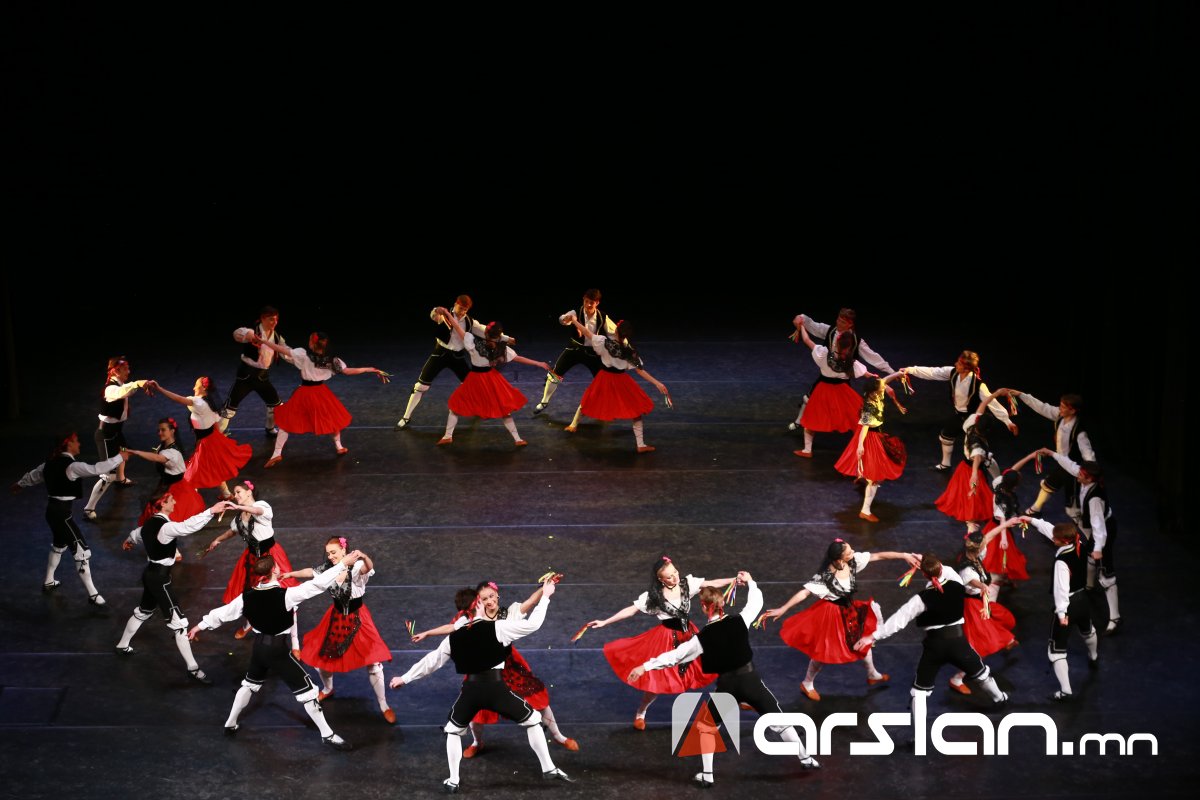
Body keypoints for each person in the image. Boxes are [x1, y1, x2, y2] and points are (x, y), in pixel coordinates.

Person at [629, 570, 819, 787]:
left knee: (708, 728)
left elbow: (674, 657)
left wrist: (645, 666)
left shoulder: (700, 639)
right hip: (751, 680)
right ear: (723, 604)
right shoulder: (740, 620)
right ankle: (807, 759)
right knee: (779, 721)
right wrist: (751, 582)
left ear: (704, 608)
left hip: (727, 687)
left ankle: (707, 775)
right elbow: (756, 601)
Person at [389, 577, 572, 793]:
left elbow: (432, 661)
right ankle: (548, 767)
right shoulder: (497, 628)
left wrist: (404, 678)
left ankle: (453, 780)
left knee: (453, 731)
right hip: (497, 689)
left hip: (471, 692)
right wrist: (546, 597)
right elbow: (533, 624)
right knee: (533, 720)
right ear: (478, 603)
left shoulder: (453, 638)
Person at [189, 551, 363, 749]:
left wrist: (198, 627)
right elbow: (317, 585)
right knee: (308, 692)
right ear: (274, 570)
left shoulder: (246, 596)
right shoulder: (286, 596)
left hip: (259, 649)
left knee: (249, 685)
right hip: (277, 651)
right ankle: (327, 734)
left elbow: (221, 614)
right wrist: (342, 564)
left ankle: (230, 723)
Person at [411, 580, 578, 756]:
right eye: (484, 599)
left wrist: (543, 590)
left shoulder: (509, 613)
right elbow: (452, 627)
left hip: (510, 666)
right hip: (482, 669)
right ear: (478, 602)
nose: (489, 601)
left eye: (491, 596)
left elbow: (530, 602)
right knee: (475, 711)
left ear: (497, 594)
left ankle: (558, 736)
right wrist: (428, 633)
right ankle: (477, 743)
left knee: (539, 700)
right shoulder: (472, 617)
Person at [585, 557, 736, 728]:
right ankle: (641, 712)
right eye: (670, 576)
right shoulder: (655, 596)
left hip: (689, 634)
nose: (675, 577)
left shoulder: (687, 584)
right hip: (666, 639)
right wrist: (605, 622)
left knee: (715, 662)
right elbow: (631, 610)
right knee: (657, 681)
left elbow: (712, 583)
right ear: (661, 579)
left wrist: (735, 579)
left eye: (675, 572)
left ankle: (739, 693)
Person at [761, 540, 919, 701]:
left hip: (850, 611)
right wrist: (783, 608)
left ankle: (872, 674)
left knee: (863, 640)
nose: (853, 552)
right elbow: (804, 593)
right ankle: (807, 683)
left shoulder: (852, 562)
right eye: (849, 552)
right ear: (839, 559)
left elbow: (878, 556)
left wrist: (904, 555)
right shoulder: (825, 577)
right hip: (832, 616)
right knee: (823, 651)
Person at [853, 553, 1009, 713]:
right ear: (940, 567)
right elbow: (945, 570)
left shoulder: (921, 599)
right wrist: (926, 561)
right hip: (958, 643)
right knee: (981, 674)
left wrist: (872, 636)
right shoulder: (956, 582)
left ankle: (917, 728)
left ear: (924, 574)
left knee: (919, 692)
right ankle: (1000, 698)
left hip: (934, 647)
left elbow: (898, 621)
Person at [115, 493, 232, 685]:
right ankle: (193, 668)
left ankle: (122, 645)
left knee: (144, 611)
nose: (175, 502)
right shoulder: (166, 527)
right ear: (163, 504)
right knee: (180, 624)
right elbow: (188, 527)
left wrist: (128, 540)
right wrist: (211, 511)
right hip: (160, 580)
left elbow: (136, 534)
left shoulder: (148, 524)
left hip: (150, 575)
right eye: (171, 500)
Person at [281, 536, 395, 724]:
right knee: (322, 660)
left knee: (373, 663)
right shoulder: (330, 568)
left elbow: (368, 567)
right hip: (335, 618)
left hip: (358, 618)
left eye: (333, 552)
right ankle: (327, 689)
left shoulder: (357, 566)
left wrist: (364, 556)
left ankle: (384, 705)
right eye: (328, 553)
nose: (330, 556)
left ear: (344, 550)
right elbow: (311, 572)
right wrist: (290, 574)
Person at [12, 433, 130, 603]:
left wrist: (20, 484)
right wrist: (120, 457)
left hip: (53, 513)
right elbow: (97, 469)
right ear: (68, 444)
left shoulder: (49, 464)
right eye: (76, 441)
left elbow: (33, 476)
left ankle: (49, 581)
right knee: (82, 552)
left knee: (59, 545)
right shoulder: (72, 467)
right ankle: (93, 594)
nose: (79, 444)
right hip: (62, 516)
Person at [256, 331, 388, 466]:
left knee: (287, 422)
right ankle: (339, 446)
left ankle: (277, 453)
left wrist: (264, 341)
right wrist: (369, 369)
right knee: (332, 419)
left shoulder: (303, 355)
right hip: (321, 393)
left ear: (312, 344)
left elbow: (281, 349)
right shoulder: (331, 360)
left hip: (305, 393)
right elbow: (348, 371)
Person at [433, 309, 550, 447]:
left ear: (486, 333)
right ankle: (517, 439)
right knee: (504, 410)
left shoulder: (473, 342)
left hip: (475, 379)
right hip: (492, 379)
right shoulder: (501, 348)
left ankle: (448, 436)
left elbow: (457, 327)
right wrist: (538, 363)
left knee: (455, 406)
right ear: (498, 336)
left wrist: (447, 314)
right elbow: (518, 358)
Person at [394, 295, 512, 430]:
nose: (462, 312)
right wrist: (436, 310)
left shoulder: (469, 322)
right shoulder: (444, 315)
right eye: (460, 308)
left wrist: (505, 338)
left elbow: (485, 330)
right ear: (455, 304)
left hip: (457, 357)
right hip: (440, 354)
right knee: (421, 386)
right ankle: (406, 417)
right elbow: (433, 315)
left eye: (465, 310)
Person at [1037, 448, 1121, 634]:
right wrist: (1052, 454)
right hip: (1096, 530)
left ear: (1089, 479)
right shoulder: (1085, 478)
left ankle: (1115, 618)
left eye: (1082, 475)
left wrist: (1098, 547)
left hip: (1104, 532)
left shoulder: (1095, 499)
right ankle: (1089, 586)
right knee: (1089, 558)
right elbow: (1071, 466)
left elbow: (1099, 527)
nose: (1078, 475)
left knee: (1106, 575)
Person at [202, 480, 298, 640]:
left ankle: (295, 640)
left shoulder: (261, 506)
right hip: (252, 557)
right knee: (252, 592)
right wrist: (217, 539)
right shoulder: (240, 516)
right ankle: (249, 624)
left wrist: (238, 507)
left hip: (271, 555)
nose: (235, 495)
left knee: (283, 592)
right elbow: (233, 531)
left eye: (238, 492)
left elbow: (258, 511)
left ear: (249, 492)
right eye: (234, 493)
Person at [560, 314, 670, 452]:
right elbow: (640, 370)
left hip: (605, 378)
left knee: (589, 399)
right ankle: (640, 444)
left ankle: (574, 425)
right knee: (636, 411)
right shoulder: (629, 351)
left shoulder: (604, 342)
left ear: (616, 330)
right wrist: (657, 383)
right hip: (621, 380)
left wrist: (574, 321)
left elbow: (587, 332)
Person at [1021, 516, 1100, 699]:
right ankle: (1094, 656)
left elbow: (1061, 590)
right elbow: (1051, 531)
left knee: (1056, 650)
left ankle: (1065, 691)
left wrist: (1062, 614)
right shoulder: (1078, 543)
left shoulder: (1062, 562)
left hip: (1069, 606)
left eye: (1055, 539)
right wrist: (1031, 521)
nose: (1053, 540)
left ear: (1063, 541)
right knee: (1088, 630)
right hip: (1083, 600)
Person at [899, 351, 1017, 471]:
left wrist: (1008, 422)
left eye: (959, 363)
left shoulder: (978, 385)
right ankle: (945, 465)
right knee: (946, 436)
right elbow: (933, 372)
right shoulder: (953, 372)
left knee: (973, 450)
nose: (956, 364)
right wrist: (910, 370)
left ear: (967, 368)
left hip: (973, 419)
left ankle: (988, 471)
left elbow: (992, 403)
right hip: (960, 415)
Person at [947, 520, 1022, 695]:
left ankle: (1005, 640)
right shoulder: (967, 570)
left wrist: (1007, 524)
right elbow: (978, 584)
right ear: (979, 549)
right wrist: (984, 592)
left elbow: (989, 536)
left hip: (979, 601)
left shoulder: (974, 554)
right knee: (979, 643)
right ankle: (957, 678)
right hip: (971, 606)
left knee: (1002, 618)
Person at [147, 376, 251, 500]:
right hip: (212, 438)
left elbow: (177, 398)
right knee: (214, 467)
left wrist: (159, 388)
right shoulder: (211, 402)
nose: (193, 388)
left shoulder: (198, 403)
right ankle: (226, 494)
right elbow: (215, 424)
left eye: (196, 385)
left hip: (206, 442)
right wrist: (219, 440)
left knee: (192, 473)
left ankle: (192, 500)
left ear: (203, 388)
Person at [1001, 389, 1095, 518]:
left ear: (1072, 411)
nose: (1060, 408)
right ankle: (1035, 510)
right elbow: (1042, 407)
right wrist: (1021, 395)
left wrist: (1089, 473)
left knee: (1072, 505)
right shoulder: (1060, 416)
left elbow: (1088, 454)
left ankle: (1083, 523)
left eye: (1063, 407)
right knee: (1048, 485)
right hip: (1062, 463)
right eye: (1060, 405)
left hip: (1073, 467)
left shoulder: (1079, 431)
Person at [789, 320, 873, 458]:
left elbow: (807, 340)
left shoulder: (824, 354)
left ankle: (807, 450)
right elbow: (866, 374)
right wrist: (880, 379)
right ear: (849, 348)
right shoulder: (851, 361)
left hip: (823, 391)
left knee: (811, 419)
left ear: (836, 344)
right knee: (857, 418)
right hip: (843, 392)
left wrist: (802, 326)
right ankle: (863, 447)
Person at [83, 356, 150, 521]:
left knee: (124, 452)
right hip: (105, 435)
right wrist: (138, 383)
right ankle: (89, 508)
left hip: (116, 431)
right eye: (125, 369)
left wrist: (141, 386)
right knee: (108, 475)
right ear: (116, 371)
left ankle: (121, 479)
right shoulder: (110, 389)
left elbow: (128, 390)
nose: (129, 371)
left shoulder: (120, 385)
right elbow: (122, 392)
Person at [832, 374, 908, 522]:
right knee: (875, 477)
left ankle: (866, 477)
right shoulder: (869, 407)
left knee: (874, 473)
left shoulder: (878, 395)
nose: (883, 386)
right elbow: (865, 428)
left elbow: (885, 380)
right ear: (874, 391)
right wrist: (860, 445)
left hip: (877, 435)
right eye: (881, 386)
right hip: (870, 438)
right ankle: (865, 511)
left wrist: (899, 374)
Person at [533, 288, 618, 416]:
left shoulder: (602, 317)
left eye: (592, 303)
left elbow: (614, 333)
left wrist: (624, 345)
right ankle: (544, 401)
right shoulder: (575, 312)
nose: (588, 305)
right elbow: (562, 319)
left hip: (593, 353)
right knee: (554, 374)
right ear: (583, 299)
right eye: (587, 301)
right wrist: (567, 318)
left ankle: (604, 406)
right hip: (574, 349)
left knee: (602, 380)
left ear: (597, 303)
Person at [933, 394, 1003, 532]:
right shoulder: (977, 446)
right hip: (971, 470)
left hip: (966, 466)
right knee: (974, 495)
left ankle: (998, 493)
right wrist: (974, 475)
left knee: (974, 492)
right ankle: (971, 523)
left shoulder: (972, 422)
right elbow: (976, 459)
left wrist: (996, 394)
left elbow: (981, 406)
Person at [222, 305, 288, 436]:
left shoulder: (276, 336)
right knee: (229, 409)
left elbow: (285, 352)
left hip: (262, 378)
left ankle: (270, 428)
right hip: (246, 377)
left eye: (276, 319)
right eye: (271, 319)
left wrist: (301, 358)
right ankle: (217, 435)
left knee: (275, 405)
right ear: (262, 319)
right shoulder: (253, 331)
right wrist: (250, 336)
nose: (274, 322)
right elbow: (237, 333)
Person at [133, 417, 205, 525]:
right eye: (159, 430)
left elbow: (158, 458)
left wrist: (136, 452)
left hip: (174, 487)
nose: (159, 433)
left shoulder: (172, 452)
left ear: (172, 431)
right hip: (167, 484)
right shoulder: (164, 446)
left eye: (163, 430)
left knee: (166, 513)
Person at [792, 308, 894, 375]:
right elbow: (814, 326)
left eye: (843, 322)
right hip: (828, 373)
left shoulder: (856, 341)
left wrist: (891, 372)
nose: (839, 323)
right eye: (838, 320)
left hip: (842, 377)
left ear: (850, 324)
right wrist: (801, 318)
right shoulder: (831, 331)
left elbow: (873, 357)